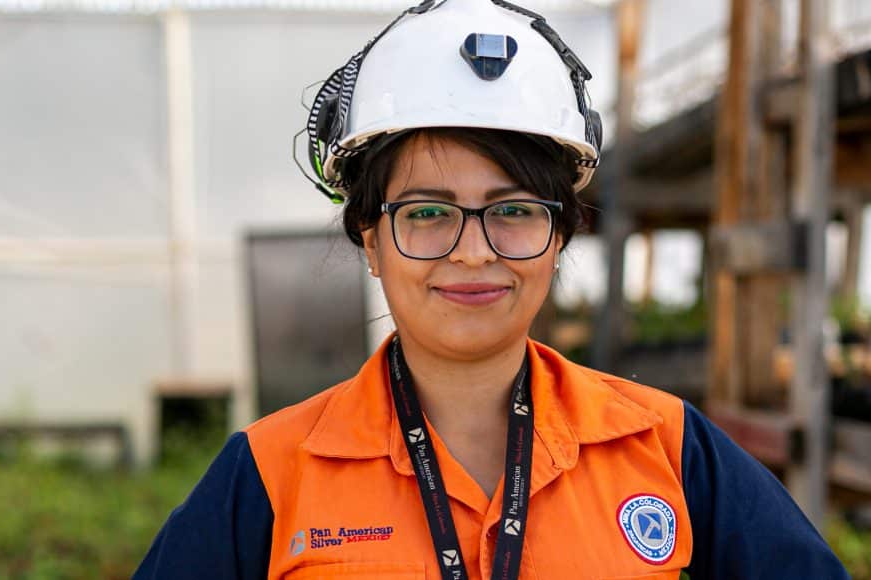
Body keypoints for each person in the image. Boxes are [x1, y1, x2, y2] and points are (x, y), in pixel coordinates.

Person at [135, 1, 850, 578]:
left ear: (562, 235)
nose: (473, 252)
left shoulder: (665, 448)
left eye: (512, 212)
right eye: (426, 213)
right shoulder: (271, 474)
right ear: (371, 241)